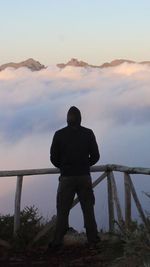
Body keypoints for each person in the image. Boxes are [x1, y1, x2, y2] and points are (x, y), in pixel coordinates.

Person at [49, 106, 100, 250]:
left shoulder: (59, 134)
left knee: (63, 210)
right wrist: (85, 165)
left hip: (66, 178)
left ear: (67, 120)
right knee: (88, 209)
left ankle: (57, 242)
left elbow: (53, 158)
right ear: (80, 119)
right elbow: (96, 156)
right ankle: (93, 240)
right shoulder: (88, 133)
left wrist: (64, 167)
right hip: (84, 177)